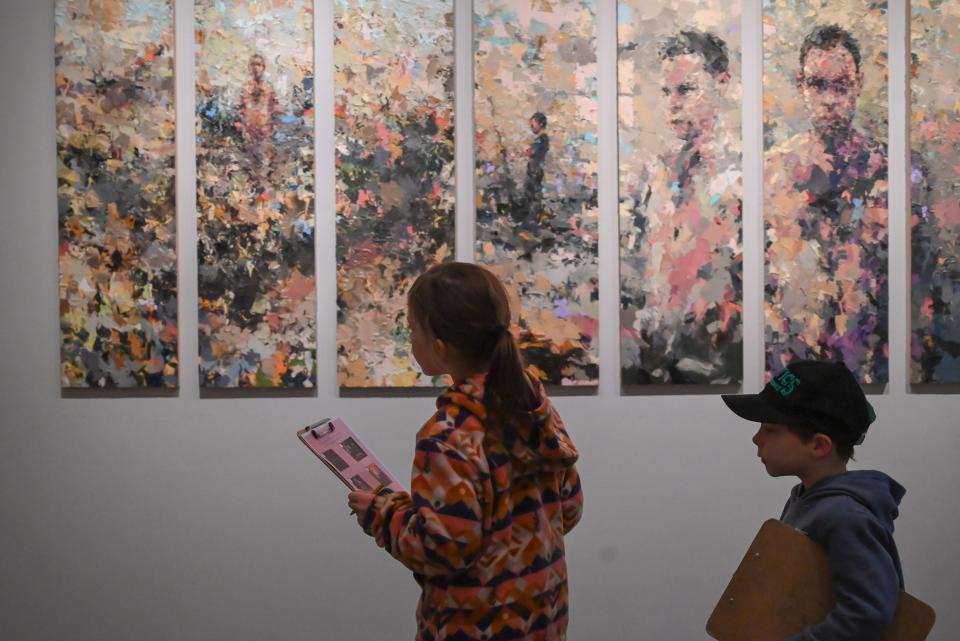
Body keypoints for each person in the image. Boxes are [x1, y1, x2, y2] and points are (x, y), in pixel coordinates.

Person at [347, 261, 583, 641]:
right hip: (542, 618)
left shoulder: (447, 435)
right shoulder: (531, 407)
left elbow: (444, 551)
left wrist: (381, 512)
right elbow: (569, 509)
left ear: (440, 348)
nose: (411, 341)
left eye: (412, 331)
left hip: (477, 626)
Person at [722, 360, 905, 641]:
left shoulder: (845, 517)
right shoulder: (804, 499)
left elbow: (867, 613)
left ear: (819, 445)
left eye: (770, 429)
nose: (756, 439)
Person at [765, 25, 888, 383]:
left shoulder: (887, 169)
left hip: (867, 368)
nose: (830, 100)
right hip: (790, 369)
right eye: (818, 85)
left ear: (858, 83)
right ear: (801, 85)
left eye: (841, 86)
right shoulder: (773, 172)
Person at [621, 29, 742, 384]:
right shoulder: (655, 175)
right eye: (667, 92)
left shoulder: (741, 181)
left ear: (721, 84)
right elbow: (639, 267)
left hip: (716, 369)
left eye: (685, 90)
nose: (672, 103)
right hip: (655, 363)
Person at [522, 111, 549, 220]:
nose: (531, 126)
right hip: (535, 169)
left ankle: (532, 220)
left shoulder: (541, 138)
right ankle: (533, 219)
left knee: (532, 195)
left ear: (540, 124)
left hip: (535, 170)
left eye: (533, 123)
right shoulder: (541, 138)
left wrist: (520, 153)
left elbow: (531, 152)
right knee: (532, 194)